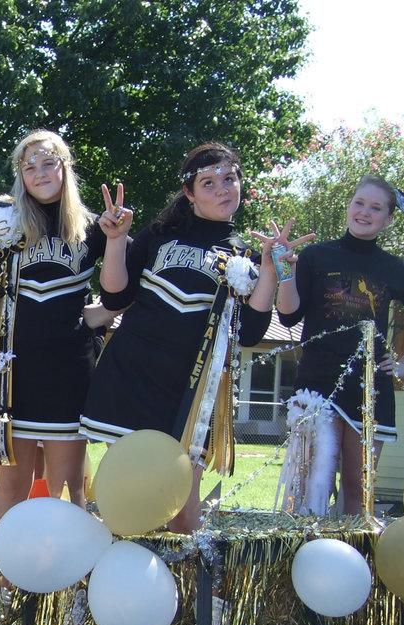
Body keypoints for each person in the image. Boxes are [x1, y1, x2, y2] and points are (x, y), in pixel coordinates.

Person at [81, 141, 297, 533]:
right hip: (132, 376)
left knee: (182, 506)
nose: (222, 189)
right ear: (189, 192)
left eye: (229, 179)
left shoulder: (245, 254)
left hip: (192, 392)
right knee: (128, 497)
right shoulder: (160, 234)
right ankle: (116, 588)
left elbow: (250, 332)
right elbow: (115, 295)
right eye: (209, 182)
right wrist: (115, 241)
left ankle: (181, 589)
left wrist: (268, 270)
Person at [0, 129, 123, 522]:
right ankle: (5, 580)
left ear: (65, 167)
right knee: (11, 492)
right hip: (14, 372)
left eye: (49, 162)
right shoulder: (4, 223)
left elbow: (126, 287)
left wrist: (98, 315)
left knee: (68, 490)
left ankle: (68, 580)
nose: (40, 172)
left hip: (70, 368)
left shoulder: (93, 226)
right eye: (29, 166)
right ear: (20, 176)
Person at [275, 174, 404, 516]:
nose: (364, 212)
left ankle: (350, 561)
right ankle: (299, 562)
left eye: (376, 207)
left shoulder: (393, 268)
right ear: (349, 206)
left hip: (369, 389)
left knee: (358, 491)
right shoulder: (315, 256)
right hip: (318, 384)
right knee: (310, 486)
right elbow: (288, 314)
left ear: (388, 218)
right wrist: (283, 269)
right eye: (359, 203)